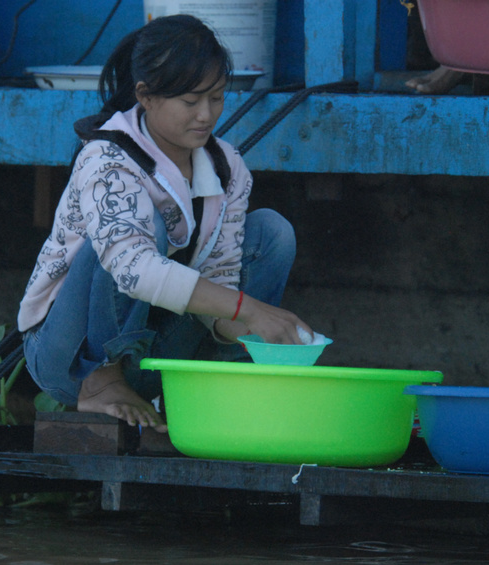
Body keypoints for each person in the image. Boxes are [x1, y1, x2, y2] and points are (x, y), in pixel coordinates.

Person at [17, 14, 314, 433]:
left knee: (272, 232)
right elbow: (134, 269)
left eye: (216, 97)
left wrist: (254, 327)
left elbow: (221, 281)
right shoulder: (107, 158)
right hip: (68, 356)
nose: (206, 115)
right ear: (147, 96)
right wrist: (252, 309)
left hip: (153, 347)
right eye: (191, 102)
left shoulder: (227, 168)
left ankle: (219, 381)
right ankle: (103, 380)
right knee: (146, 232)